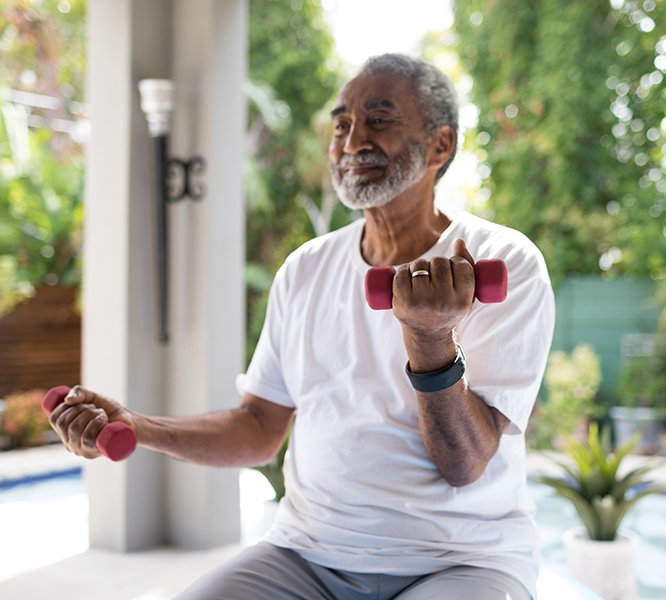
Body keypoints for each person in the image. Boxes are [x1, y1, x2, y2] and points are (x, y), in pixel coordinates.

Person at [50, 54, 554, 600]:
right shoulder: (306, 269)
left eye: (379, 120)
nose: (351, 140)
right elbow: (260, 428)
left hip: (461, 561)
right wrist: (139, 426)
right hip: (307, 554)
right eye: (341, 124)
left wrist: (431, 340)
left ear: (440, 145)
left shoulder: (504, 260)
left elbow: (465, 465)